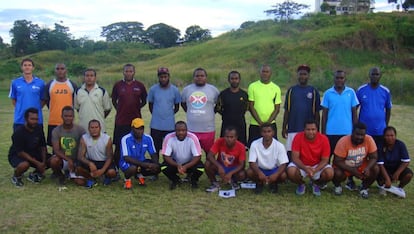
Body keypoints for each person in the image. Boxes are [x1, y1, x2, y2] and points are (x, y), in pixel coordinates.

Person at [321, 70, 359, 190]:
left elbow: (354, 113)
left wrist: (355, 130)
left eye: (341, 78)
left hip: (347, 132)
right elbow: (325, 115)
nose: (339, 80)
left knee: (349, 159)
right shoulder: (328, 93)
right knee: (328, 156)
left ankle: (349, 179)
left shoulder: (351, 92)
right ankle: (325, 179)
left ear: (345, 79)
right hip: (331, 132)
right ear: (334, 79)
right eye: (337, 78)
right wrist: (323, 133)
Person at [282, 65, 321, 161]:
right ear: (297, 75)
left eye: (305, 74)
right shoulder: (291, 90)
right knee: (291, 153)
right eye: (300, 74)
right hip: (293, 127)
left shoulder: (314, 91)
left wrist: (317, 129)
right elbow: (287, 110)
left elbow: (317, 113)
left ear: (308, 76)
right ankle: (291, 172)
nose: (302, 76)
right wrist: (284, 127)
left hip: (308, 129)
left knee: (307, 152)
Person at [112, 64, 147, 168]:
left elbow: (144, 100)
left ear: (134, 72)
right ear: (123, 72)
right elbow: (114, 100)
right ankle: (116, 168)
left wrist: (136, 108)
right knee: (119, 145)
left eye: (130, 71)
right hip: (121, 121)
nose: (128, 73)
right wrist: (120, 109)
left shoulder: (139, 85)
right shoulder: (118, 85)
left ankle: (137, 168)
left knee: (136, 145)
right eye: (126, 71)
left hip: (135, 120)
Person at [287, 120, 333, 196]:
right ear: (304, 130)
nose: (311, 132)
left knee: (330, 173)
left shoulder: (324, 139)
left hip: (317, 165)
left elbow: (325, 160)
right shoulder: (298, 137)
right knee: (291, 171)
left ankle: (316, 184)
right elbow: (295, 158)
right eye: (308, 129)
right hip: (302, 165)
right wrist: (306, 168)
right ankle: (301, 184)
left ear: (317, 130)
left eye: (313, 129)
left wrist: (315, 170)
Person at [332, 122, 379, 199]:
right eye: (357, 134)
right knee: (337, 173)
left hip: (361, 166)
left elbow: (374, 157)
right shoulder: (343, 141)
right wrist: (352, 170)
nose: (360, 137)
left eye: (362, 135)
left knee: (375, 168)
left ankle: (364, 188)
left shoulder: (369, 139)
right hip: (346, 166)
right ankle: (337, 186)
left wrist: (367, 168)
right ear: (352, 132)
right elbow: (337, 161)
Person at [181, 67, 219, 153]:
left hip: (208, 130)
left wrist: (211, 112)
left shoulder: (213, 90)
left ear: (206, 77)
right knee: (192, 154)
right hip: (191, 129)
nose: (199, 77)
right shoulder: (186, 90)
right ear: (193, 77)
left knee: (209, 154)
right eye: (197, 76)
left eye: (202, 75)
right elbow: (183, 104)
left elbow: (218, 104)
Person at [147, 67, 181, 164]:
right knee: (155, 148)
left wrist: (168, 114)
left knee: (169, 148)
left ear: (168, 77)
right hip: (156, 125)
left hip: (169, 125)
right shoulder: (153, 89)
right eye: (161, 77)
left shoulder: (175, 90)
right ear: (158, 77)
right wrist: (157, 114)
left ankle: (168, 166)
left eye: (165, 76)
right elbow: (150, 105)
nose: (163, 79)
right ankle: (155, 168)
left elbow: (177, 107)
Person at [8, 108, 47, 187]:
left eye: (36, 119)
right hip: (18, 155)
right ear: (26, 119)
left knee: (52, 160)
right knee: (24, 165)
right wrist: (38, 163)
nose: (35, 121)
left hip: (33, 152)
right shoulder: (18, 133)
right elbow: (20, 152)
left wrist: (43, 162)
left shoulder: (39, 129)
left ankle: (34, 174)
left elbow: (42, 146)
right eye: (32, 119)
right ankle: (16, 176)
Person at [246, 123, 289, 194]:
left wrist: (276, 175)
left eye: (269, 131)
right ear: (261, 133)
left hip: (273, 170)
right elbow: (252, 162)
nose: (267, 134)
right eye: (264, 132)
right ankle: (259, 183)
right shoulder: (255, 144)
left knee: (283, 175)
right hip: (260, 169)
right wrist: (259, 173)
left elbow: (283, 163)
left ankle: (273, 183)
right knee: (249, 172)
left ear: (273, 133)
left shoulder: (279, 145)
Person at [119, 118, 160, 190]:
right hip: (127, 162)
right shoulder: (125, 139)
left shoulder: (148, 138)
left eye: (141, 128)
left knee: (157, 168)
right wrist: (145, 165)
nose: (140, 131)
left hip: (141, 161)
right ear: (132, 128)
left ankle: (139, 174)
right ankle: (127, 180)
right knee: (132, 168)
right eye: (137, 129)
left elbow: (153, 153)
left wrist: (156, 164)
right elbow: (126, 158)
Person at [161, 121, 204, 190]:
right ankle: (175, 180)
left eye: (183, 130)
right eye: (178, 130)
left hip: (189, 163)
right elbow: (166, 156)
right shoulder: (169, 137)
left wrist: (186, 166)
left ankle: (193, 180)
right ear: (175, 131)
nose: (181, 132)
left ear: (187, 130)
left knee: (200, 167)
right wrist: (177, 165)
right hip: (175, 163)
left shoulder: (193, 138)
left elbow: (198, 156)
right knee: (163, 167)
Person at [49, 106, 86, 185]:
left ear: (73, 117)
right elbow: (56, 150)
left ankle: (72, 173)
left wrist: (77, 162)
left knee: (80, 183)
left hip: (77, 159)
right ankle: (60, 175)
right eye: (66, 116)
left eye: (70, 116)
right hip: (64, 159)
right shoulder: (56, 130)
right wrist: (68, 160)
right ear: (61, 116)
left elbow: (83, 148)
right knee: (54, 161)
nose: (68, 118)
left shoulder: (80, 130)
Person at [247, 64, 282, 146]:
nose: (265, 74)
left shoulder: (276, 88)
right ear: (260, 73)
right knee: (254, 147)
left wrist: (268, 123)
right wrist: (260, 122)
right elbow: (251, 106)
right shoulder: (252, 86)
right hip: (255, 124)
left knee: (272, 148)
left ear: (271, 73)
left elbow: (277, 109)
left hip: (271, 124)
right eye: (263, 71)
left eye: (267, 72)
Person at [357, 67, 392, 146]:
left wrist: (385, 125)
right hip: (364, 131)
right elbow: (354, 109)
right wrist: (356, 125)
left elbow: (388, 109)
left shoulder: (385, 91)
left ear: (380, 76)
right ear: (369, 75)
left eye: (377, 74)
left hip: (380, 131)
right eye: (373, 74)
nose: (375, 76)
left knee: (378, 154)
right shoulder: (361, 90)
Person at [205, 126, 246, 192]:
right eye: (227, 137)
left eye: (231, 137)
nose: (229, 139)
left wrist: (231, 173)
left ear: (236, 137)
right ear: (224, 137)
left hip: (233, 168)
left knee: (242, 174)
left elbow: (242, 165)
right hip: (221, 165)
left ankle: (233, 181)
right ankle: (214, 183)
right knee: (207, 164)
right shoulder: (219, 141)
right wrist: (219, 167)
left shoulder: (241, 146)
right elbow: (209, 156)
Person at [77, 119, 116, 188]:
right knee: (78, 168)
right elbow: (80, 156)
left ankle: (106, 177)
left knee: (112, 172)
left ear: (100, 128)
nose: (94, 130)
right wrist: (90, 163)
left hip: (103, 161)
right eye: (92, 128)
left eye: (96, 127)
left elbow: (110, 157)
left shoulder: (107, 139)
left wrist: (102, 170)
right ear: (89, 129)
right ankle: (90, 178)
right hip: (91, 160)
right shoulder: (84, 138)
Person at [9, 58, 45, 131]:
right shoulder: (15, 82)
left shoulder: (41, 83)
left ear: (33, 68)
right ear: (22, 67)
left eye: (29, 65)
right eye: (25, 65)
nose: (27, 67)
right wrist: (21, 108)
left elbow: (43, 100)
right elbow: (14, 100)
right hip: (20, 119)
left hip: (36, 119)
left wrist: (35, 108)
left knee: (37, 142)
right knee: (19, 142)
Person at [215, 70, 248, 146]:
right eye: (232, 78)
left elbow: (246, 108)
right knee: (225, 146)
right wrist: (226, 115)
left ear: (239, 80)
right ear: (229, 80)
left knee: (241, 146)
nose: (234, 80)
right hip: (227, 124)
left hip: (240, 124)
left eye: (236, 78)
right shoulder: (223, 94)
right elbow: (218, 108)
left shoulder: (244, 94)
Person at [74, 68, 112, 132]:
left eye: (91, 76)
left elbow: (107, 109)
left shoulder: (102, 91)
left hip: (99, 128)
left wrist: (100, 117)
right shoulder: (78, 91)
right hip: (83, 128)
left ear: (95, 77)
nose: (89, 78)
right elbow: (78, 108)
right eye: (87, 76)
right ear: (84, 77)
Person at [377, 126, 412, 195]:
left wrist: (397, 173)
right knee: (376, 169)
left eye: (392, 135)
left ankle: (399, 188)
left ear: (395, 136)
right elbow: (380, 164)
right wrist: (387, 179)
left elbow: (406, 161)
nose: (390, 138)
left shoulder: (400, 144)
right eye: (387, 135)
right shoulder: (380, 145)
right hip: (384, 169)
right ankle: (382, 186)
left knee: (409, 174)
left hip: (396, 168)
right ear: (384, 136)